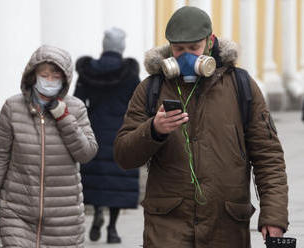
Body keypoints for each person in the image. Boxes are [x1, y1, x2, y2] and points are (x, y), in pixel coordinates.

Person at [114, 6, 289, 248]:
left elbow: (268, 158)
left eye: (194, 48)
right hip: (167, 231)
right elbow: (123, 156)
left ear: (210, 42)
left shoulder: (242, 86)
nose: (186, 57)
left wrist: (274, 216)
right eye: (179, 49)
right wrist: (153, 130)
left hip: (226, 229)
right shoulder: (150, 89)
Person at [0, 45, 98, 247]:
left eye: (55, 76)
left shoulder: (76, 108)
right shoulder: (13, 107)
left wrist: (63, 117)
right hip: (17, 212)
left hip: (63, 218)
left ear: (64, 79)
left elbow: (86, 153)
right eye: (44, 75)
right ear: (32, 76)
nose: (49, 81)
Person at [74, 27, 140, 244]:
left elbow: (77, 101)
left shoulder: (87, 72)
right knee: (117, 181)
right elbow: (138, 103)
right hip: (121, 131)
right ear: (122, 47)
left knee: (96, 178)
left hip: (94, 131)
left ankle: (97, 212)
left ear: (104, 46)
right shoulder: (129, 74)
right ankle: (112, 228)